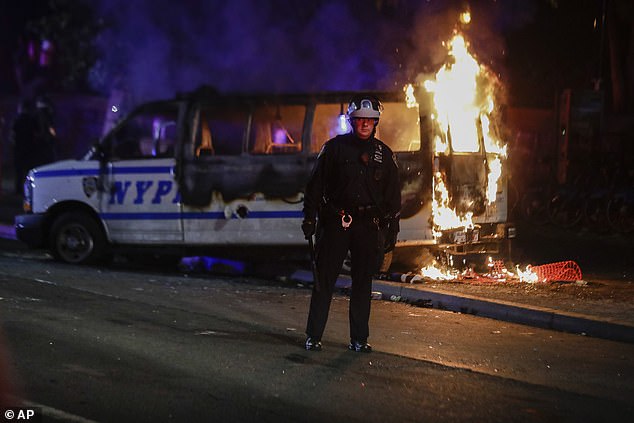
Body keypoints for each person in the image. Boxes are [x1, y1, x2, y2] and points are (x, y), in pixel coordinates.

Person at [301, 95, 401, 352]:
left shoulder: (384, 155)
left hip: (368, 227)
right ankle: (313, 335)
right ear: (351, 121)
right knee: (324, 280)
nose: (364, 124)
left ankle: (359, 339)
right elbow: (315, 186)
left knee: (362, 284)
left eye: (369, 120)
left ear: (375, 122)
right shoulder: (334, 149)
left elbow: (393, 197)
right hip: (336, 223)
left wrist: (392, 229)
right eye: (359, 120)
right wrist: (310, 218)